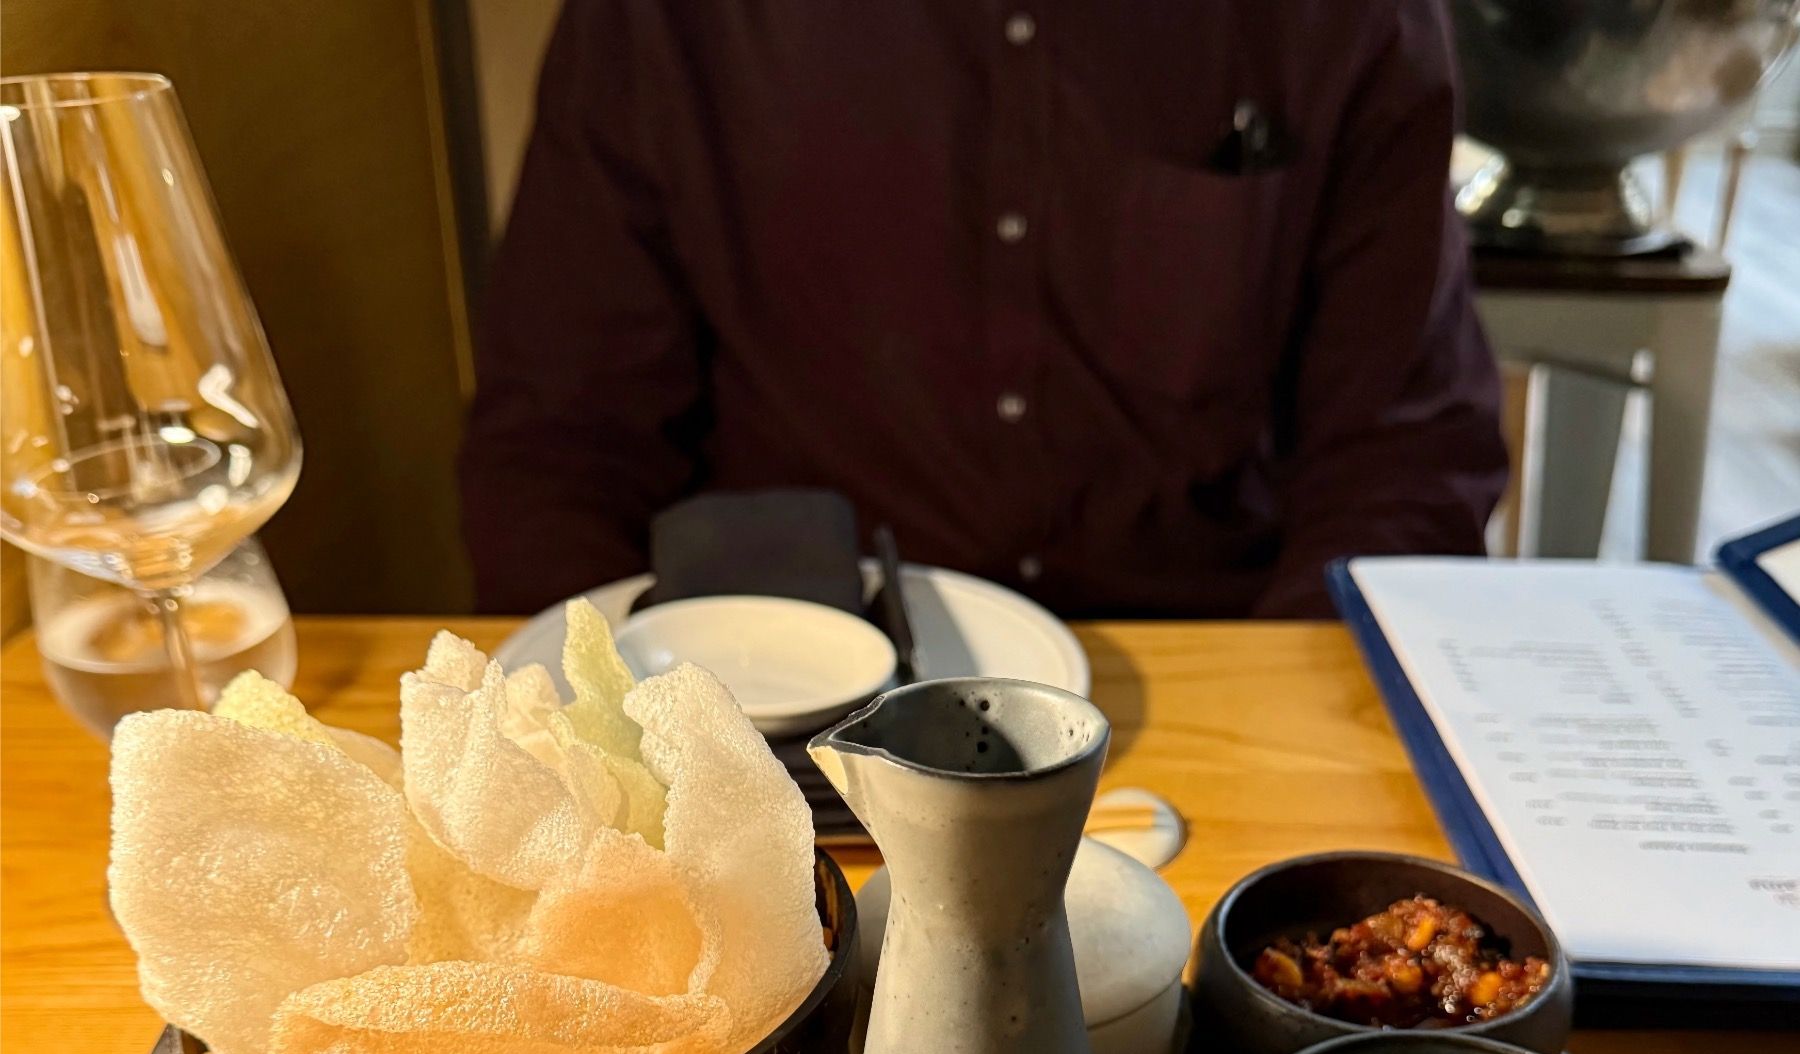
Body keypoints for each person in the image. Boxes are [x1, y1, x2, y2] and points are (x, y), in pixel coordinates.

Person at [461, 0, 1507, 620]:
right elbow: (563, 443)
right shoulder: (673, 24)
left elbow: (1405, 458)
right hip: (783, 714)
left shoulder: (1349, 21)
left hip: (1204, 674)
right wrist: (632, 749)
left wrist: (1276, 726)